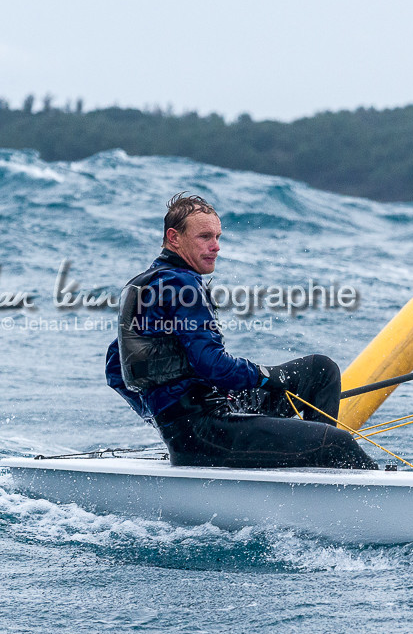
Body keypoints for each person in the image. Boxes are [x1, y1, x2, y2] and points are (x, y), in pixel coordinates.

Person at [105, 193, 373, 469]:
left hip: (203, 419)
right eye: (205, 237)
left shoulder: (141, 286)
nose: (216, 246)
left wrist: (162, 418)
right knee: (337, 443)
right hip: (205, 432)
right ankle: (330, 468)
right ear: (174, 238)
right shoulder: (181, 285)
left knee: (320, 371)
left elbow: (116, 369)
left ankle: (315, 471)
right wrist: (264, 376)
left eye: (218, 237)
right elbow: (211, 364)